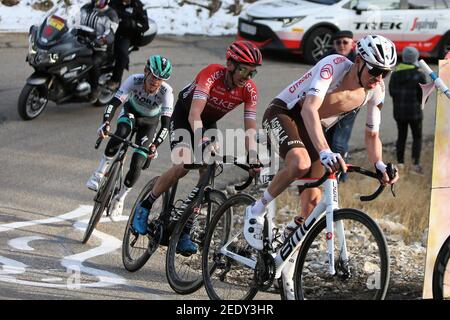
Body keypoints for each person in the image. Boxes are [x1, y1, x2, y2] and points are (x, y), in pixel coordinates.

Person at [246, 34, 400, 252]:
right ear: (358, 62)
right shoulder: (334, 65)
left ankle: (284, 248)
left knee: (312, 206)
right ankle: (256, 210)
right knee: (300, 163)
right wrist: (325, 150)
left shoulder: (377, 90)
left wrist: (380, 165)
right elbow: (309, 108)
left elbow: (372, 135)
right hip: (284, 113)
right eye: (374, 70)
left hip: (311, 126)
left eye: (385, 73)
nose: (379, 77)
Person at [132, 41, 263, 255]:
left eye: (252, 73)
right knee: (183, 164)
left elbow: (250, 128)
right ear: (230, 64)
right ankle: (145, 205)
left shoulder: (249, 90)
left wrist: (254, 159)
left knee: (208, 173)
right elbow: (194, 114)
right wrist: (202, 140)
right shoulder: (211, 74)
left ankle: (185, 227)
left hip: (208, 123)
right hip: (185, 116)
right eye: (243, 70)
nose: (247, 78)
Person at [86, 55, 174, 222]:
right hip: (131, 113)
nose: (156, 82)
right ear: (146, 71)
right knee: (121, 132)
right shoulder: (134, 80)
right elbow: (114, 103)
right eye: (154, 77)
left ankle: (120, 198)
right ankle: (99, 173)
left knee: (138, 163)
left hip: (149, 123)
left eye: (161, 79)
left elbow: (166, 125)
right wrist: (105, 123)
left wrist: (155, 145)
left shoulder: (166, 92)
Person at [324, 30, 358, 181]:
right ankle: (329, 175)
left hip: (350, 106)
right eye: (338, 42)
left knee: (339, 142)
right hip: (329, 105)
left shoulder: (358, 60)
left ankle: (341, 177)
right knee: (328, 140)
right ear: (333, 45)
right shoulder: (327, 59)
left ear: (352, 43)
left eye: (345, 42)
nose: (341, 45)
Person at [389, 46, 427, 174]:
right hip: (415, 113)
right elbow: (423, 96)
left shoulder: (394, 74)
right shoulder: (419, 75)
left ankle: (400, 163)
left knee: (401, 136)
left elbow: (391, 92)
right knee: (417, 137)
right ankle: (415, 164)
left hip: (399, 113)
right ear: (415, 59)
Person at [80, 0, 119, 101]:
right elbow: (73, 21)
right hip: (82, 44)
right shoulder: (86, 8)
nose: (97, 2)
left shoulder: (110, 14)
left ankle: (95, 88)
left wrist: (99, 41)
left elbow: (110, 34)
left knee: (93, 62)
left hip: (101, 49)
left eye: (100, 0)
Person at [108, 0, 149, 90]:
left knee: (122, 55)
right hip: (108, 32)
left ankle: (115, 80)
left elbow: (145, 25)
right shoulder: (113, 2)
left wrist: (132, 24)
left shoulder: (137, 5)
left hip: (125, 36)